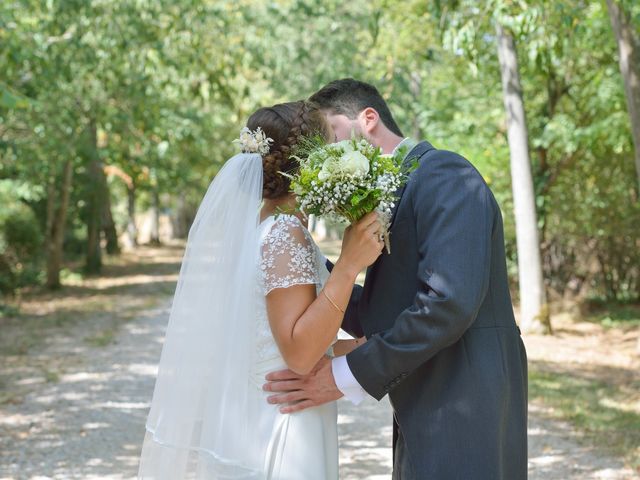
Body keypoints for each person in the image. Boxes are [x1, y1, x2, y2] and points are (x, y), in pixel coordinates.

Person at [263, 79, 529, 480]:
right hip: (425, 402)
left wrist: (343, 374)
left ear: (368, 119)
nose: (319, 156)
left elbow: (447, 303)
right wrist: (307, 266)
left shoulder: (445, 174)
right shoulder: (397, 191)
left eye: (330, 134)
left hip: (467, 403)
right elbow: (384, 305)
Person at [137, 100, 383, 479]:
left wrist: (367, 349)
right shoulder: (285, 234)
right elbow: (300, 354)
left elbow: (279, 339)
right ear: (309, 163)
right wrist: (349, 265)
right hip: (283, 428)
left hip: (275, 410)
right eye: (331, 142)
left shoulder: (266, 228)